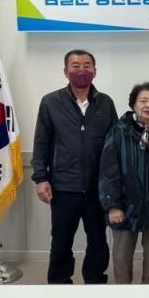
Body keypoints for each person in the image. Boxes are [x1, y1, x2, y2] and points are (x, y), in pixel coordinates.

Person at [31, 49, 117, 284]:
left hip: (97, 188)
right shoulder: (50, 102)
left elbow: (114, 144)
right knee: (61, 240)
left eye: (87, 65)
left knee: (98, 240)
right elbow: (41, 142)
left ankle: (95, 283)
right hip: (63, 186)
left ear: (95, 71)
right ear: (65, 71)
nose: (81, 70)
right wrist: (41, 178)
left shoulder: (106, 103)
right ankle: (59, 285)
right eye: (75, 65)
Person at [98, 82, 149, 284]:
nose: (148, 105)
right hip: (125, 206)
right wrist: (113, 206)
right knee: (122, 257)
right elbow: (108, 171)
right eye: (143, 101)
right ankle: (125, 295)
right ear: (133, 104)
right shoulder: (119, 132)